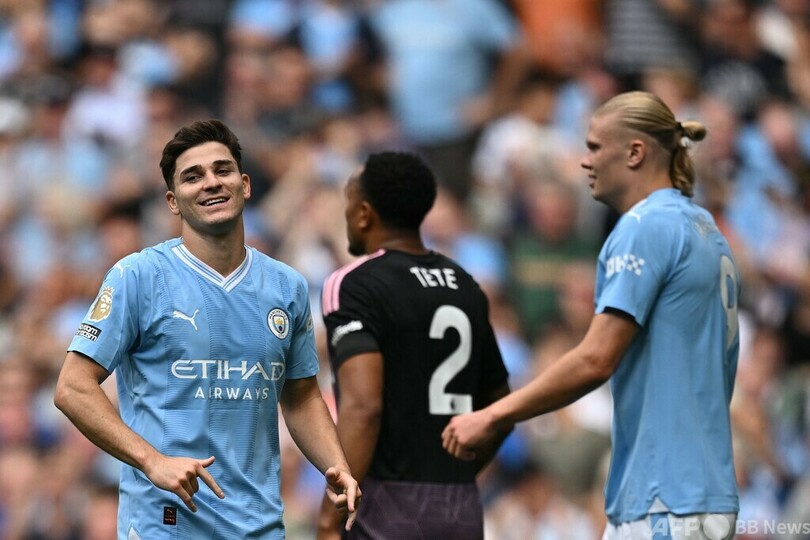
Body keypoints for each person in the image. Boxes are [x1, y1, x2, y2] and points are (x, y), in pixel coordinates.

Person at [442, 91, 741, 539]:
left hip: (663, 496)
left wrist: (493, 415)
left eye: (595, 147)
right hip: (702, 488)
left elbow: (596, 358)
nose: (585, 161)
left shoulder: (644, 227)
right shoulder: (706, 229)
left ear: (635, 152)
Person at [53, 119, 359, 539]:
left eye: (222, 170)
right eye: (193, 177)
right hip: (165, 524)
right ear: (173, 201)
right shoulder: (138, 276)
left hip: (259, 525)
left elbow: (301, 395)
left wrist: (335, 464)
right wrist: (152, 460)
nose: (211, 182)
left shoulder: (286, 286)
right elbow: (72, 387)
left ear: (245, 185)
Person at [316, 151, 511, 539]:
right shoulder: (465, 284)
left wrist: (328, 519)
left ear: (364, 213)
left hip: (384, 509)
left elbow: (363, 407)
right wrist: (457, 475)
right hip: (460, 507)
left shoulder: (353, 284)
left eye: (348, 202)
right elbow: (500, 408)